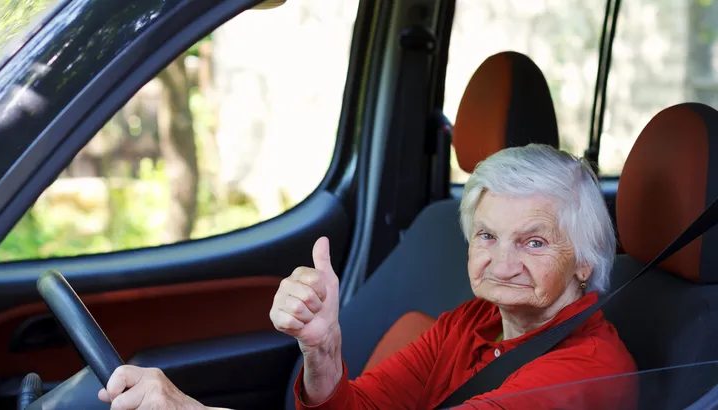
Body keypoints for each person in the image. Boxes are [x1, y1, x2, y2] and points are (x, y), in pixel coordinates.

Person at [98, 144, 637, 409]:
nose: (501, 262)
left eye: (534, 242)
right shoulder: (469, 324)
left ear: (585, 259)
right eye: (487, 236)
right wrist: (323, 347)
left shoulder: (586, 371)